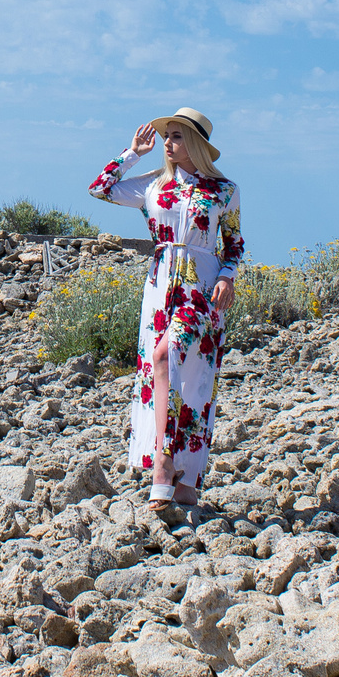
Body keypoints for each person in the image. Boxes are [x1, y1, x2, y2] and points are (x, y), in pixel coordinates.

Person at [87, 107, 244, 511]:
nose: (168, 144)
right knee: (166, 366)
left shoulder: (224, 191)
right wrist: (132, 153)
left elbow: (234, 244)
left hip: (202, 286)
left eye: (176, 136)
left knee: (184, 369)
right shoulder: (154, 185)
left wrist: (227, 276)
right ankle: (184, 479)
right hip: (159, 286)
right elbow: (100, 188)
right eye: (167, 136)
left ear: (195, 144)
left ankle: (168, 465)